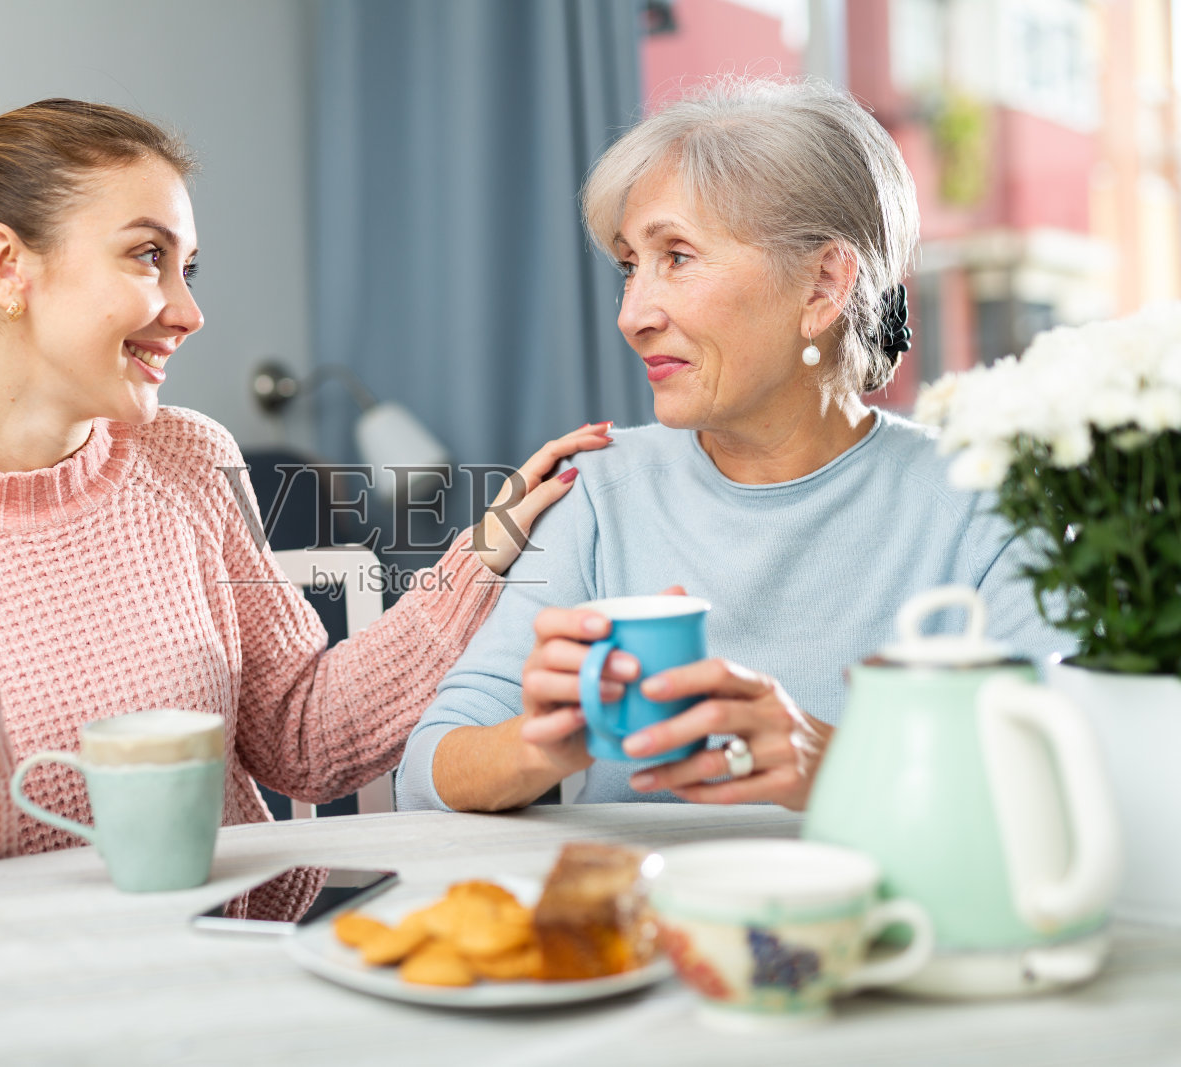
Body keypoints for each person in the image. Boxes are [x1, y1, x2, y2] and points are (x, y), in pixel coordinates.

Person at [0, 99, 610, 894]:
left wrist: (485, 550)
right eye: (147, 256)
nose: (189, 310)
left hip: (231, 964)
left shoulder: (186, 459)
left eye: (187, 266)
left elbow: (303, 737)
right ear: (7, 266)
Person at [395, 77, 1071, 815]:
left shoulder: (984, 503)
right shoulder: (597, 489)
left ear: (821, 285)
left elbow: (1060, 784)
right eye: (630, 265)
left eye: (677, 256)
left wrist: (834, 764)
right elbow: (425, 772)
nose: (632, 315)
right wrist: (539, 743)